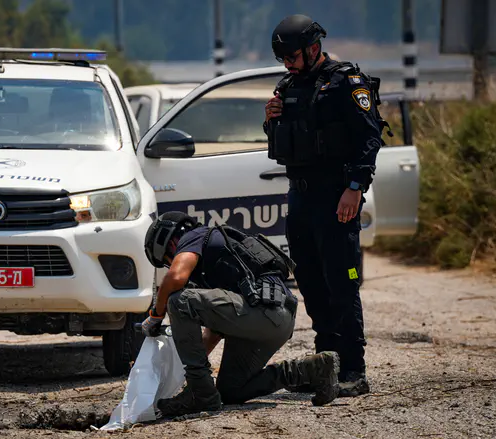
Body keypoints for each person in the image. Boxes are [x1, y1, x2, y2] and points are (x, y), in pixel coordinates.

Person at [264, 14, 389, 397]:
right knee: (311, 283)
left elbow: (370, 139)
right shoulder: (288, 87)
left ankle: (354, 369)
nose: (287, 64)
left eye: (292, 56)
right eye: (282, 58)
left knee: (342, 282)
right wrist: (270, 121)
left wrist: (355, 187)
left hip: (336, 197)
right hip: (300, 197)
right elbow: (285, 139)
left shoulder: (346, 83)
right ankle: (326, 362)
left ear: (313, 48)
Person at [141, 211, 340, 418]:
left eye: (167, 259)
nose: (171, 263)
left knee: (179, 300)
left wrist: (155, 316)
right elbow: (212, 334)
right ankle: (313, 369)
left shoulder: (194, 237)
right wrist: (185, 370)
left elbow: (175, 277)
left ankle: (200, 395)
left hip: (265, 314)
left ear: (168, 242)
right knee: (231, 390)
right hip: (273, 320)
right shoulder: (214, 262)